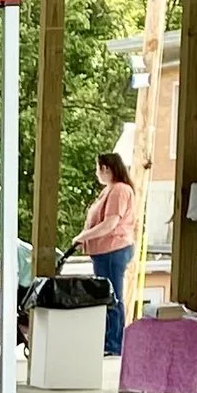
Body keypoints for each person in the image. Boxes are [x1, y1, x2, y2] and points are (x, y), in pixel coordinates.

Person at [75, 150, 138, 359]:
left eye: (98, 168)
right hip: (103, 250)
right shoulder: (109, 191)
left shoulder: (119, 190)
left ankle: (114, 342)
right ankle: (109, 339)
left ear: (106, 168)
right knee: (106, 295)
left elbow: (110, 223)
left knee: (112, 296)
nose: (96, 172)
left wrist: (83, 235)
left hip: (113, 249)